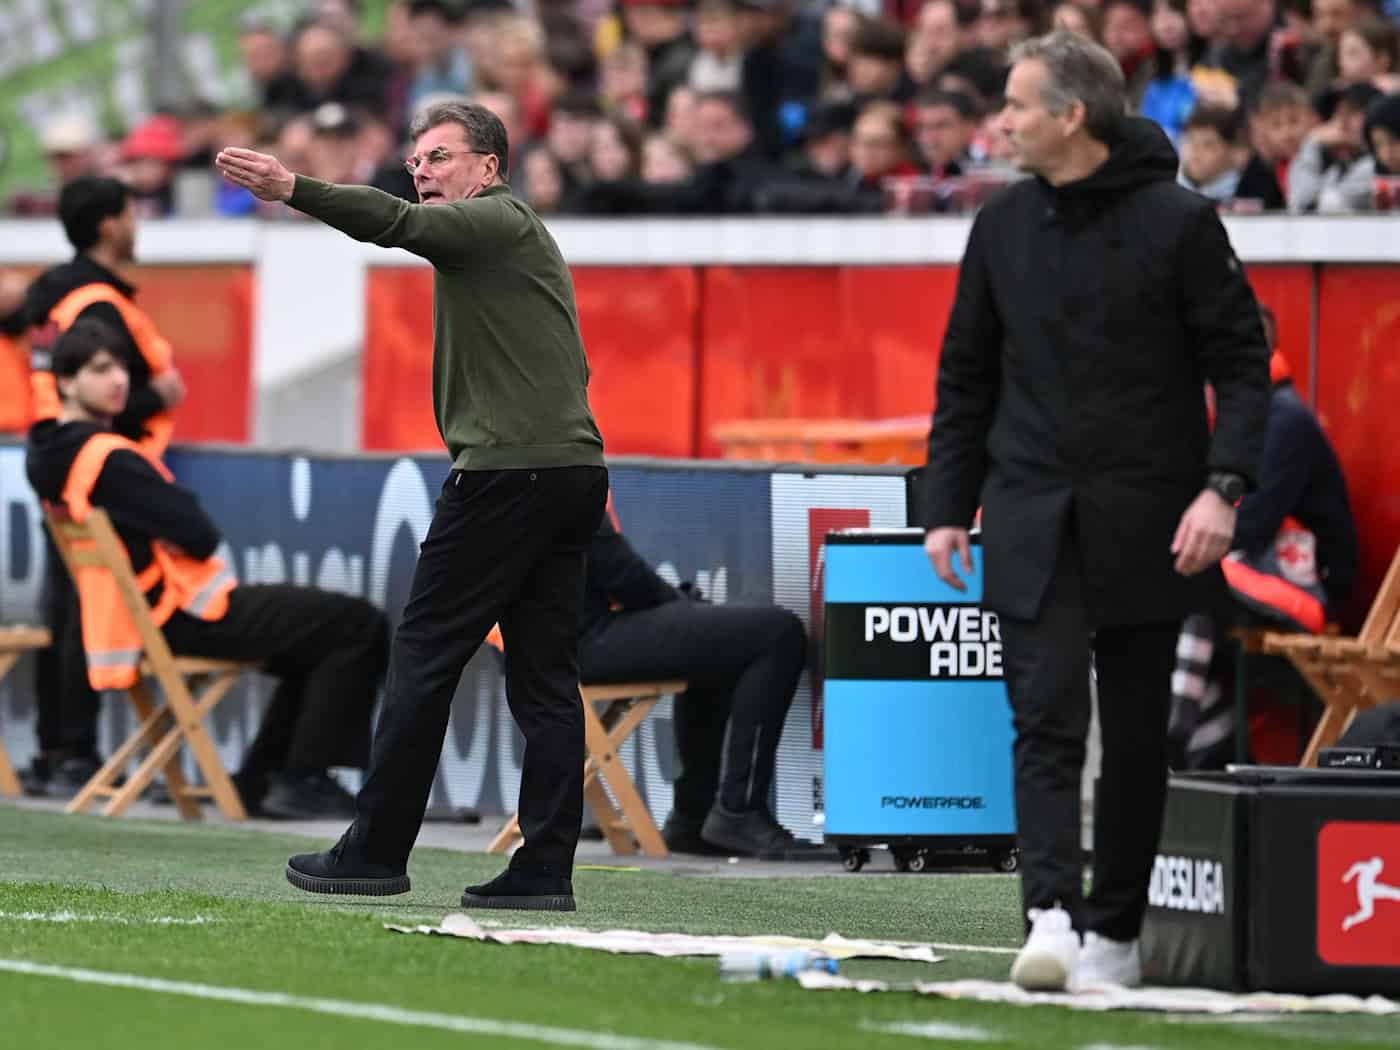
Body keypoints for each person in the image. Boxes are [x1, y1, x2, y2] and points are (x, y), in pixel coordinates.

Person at [919, 30, 1269, 992]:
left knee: (1138, 731)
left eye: (1017, 105)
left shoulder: (1183, 223)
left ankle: (1116, 926)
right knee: (1042, 722)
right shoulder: (1000, 226)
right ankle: (1050, 915)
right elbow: (966, 376)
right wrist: (946, 507)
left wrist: (1223, 487)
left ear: (1071, 116)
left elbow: (1242, 369)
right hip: (1030, 512)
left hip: (1153, 515)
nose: (1000, 122)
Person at [216, 101, 608, 910]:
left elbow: (393, 225)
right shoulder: (508, 242)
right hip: (567, 471)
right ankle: (544, 869)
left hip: (507, 478)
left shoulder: (494, 222)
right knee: (543, 682)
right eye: (416, 161)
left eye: (438, 158)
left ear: (489, 168)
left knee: (423, 660)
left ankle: (375, 850)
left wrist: (295, 187)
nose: (421, 172)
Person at [26, 319, 390, 819]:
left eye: (122, 370)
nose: (119, 381)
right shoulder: (110, 458)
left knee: (321, 636)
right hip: (183, 614)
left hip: (141, 619)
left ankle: (260, 780)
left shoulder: (46, 458)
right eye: (100, 370)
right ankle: (301, 778)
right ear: (65, 382)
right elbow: (198, 531)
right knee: (356, 623)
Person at [21, 175, 188, 799]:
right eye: (131, 211)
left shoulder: (61, 293)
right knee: (80, 615)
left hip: (62, 462)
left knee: (66, 612)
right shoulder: (95, 304)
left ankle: (58, 751)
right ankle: (72, 753)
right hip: (98, 466)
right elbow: (92, 388)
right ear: (109, 225)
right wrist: (157, 395)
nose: (137, 223)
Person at [578, 504, 821, 858]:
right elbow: (620, 573)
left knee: (717, 643)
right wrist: (676, 601)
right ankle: (738, 811)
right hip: (581, 642)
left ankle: (693, 817)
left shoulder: (499, 468)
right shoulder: (560, 458)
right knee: (777, 634)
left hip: (542, 646)